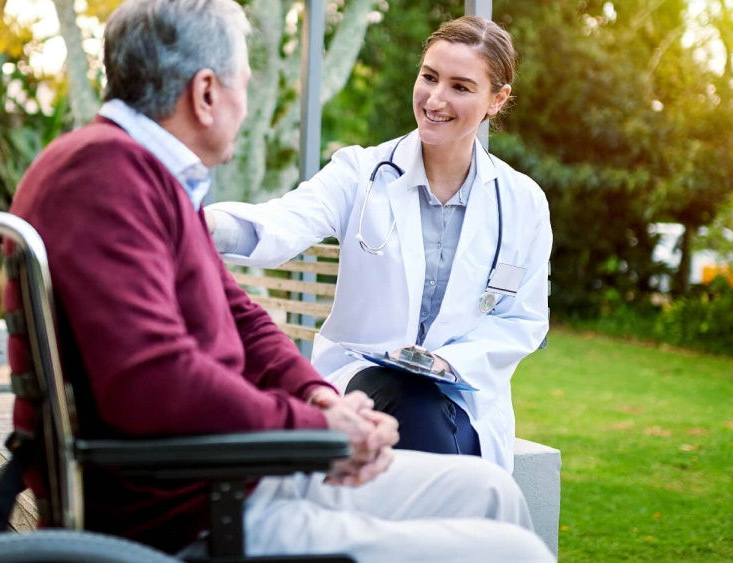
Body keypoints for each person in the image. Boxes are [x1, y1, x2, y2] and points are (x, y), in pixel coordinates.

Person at [9, 0, 553, 560]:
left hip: (235, 468)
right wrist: (314, 428)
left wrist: (317, 398)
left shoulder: (147, 179)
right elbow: (156, 380)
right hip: (202, 500)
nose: (245, 109)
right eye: (243, 84)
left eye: (460, 86)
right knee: (520, 551)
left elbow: (240, 317)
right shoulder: (106, 179)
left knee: (491, 491)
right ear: (204, 93)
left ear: (496, 100)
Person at [206, 15, 551, 470]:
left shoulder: (522, 202)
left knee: (425, 409)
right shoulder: (360, 173)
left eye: (461, 87)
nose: (435, 99)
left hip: (463, 397)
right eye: (429, 77)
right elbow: (283, 223)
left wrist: (446, 364)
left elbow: (521, 320)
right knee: (411, 404)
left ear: (496, 100)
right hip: (365, 384)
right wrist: (197, 224)